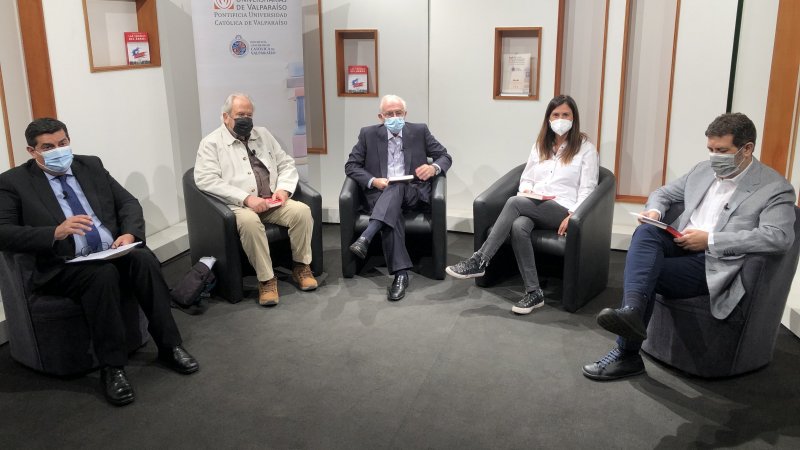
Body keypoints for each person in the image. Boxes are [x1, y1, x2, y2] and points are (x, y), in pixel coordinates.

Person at [0, 118, 199, 406]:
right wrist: (54, 233)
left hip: (109, 251)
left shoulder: (90, 165)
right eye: (48, 147)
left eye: (63, 143)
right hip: (63, 264)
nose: (58, 151)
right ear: (32, 151)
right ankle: (113, 367)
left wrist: (129, 234)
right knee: (101, 275)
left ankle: (170, 347)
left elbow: (128, 203)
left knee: (143, 259)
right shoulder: (13, 182)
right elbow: (3, 232)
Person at [583, 112, 796, 381]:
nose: (714, 157)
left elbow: (778, 236)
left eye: (722, 151)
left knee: (644, 272)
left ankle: (626, 354)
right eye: (710, 149)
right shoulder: (702, 170)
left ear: (747, 149)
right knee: (646, 232)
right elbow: (662, 193)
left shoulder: (775, 187)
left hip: (714, 260)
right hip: (680, 241)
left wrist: (711, 240)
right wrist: (655, 211)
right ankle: (633, 313)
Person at [446, 95, 599, 314]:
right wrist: (527, 191)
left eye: (566, 115)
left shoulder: (586, 149)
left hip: (563, 209)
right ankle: (534, 292)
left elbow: (588, 188)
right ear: (548, 119)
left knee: (514, 202)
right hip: (536, 203)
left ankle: (480, 260)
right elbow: (526, 178)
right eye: (556, 115)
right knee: (519, 226)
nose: (560, 119)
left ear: (574, 118)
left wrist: (574, 214)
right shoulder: (540, 146)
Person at [195, 93, 317, 306]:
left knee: (302, 212)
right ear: (225, 117)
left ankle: (301, 266)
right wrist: (246, 198)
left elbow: (286, 163)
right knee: (250, 222)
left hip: (271, 201)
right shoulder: (211, 143)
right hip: (239, 206)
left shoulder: (263, 134)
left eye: (249, 115)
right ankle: (267, 280)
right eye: (240, 115)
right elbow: (206, 179)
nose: (246, 119)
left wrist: (283, 189)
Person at [345, 94, 453, 301]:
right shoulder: (368, 134)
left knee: (398, 186)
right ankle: (401, 276)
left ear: (405, 114)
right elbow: (351, 166)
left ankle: (367, 236)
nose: (395, 117)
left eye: (398, 113)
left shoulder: (419, 131)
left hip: (412, 193)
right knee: (392, 211)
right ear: (381, 117)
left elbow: (445, 156)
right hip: (381, 194)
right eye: (389, 114)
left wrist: (433, 168)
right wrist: (373, 181)